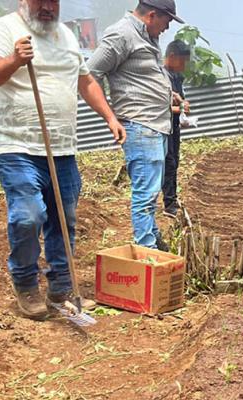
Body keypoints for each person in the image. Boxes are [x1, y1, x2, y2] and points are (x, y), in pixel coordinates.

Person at [0, 0, 126, 319]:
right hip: (14, 145)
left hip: (61, 148)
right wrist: (15, 59)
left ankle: (61, 287)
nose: (47, 7)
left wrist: (109, 117)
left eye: (53, 1)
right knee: (29, 214)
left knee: (64, 217)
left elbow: (86, 81)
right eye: (39, 1)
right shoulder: (1, 30)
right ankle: (26, 283)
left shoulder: (67, 37)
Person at [88, 0, 185, 250]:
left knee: (150, 193)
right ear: (152, 15)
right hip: (141, 126)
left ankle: (154, 243)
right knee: (145, 195)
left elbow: (141, 75)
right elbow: (89, 74)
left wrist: (167, 94)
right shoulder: (121, 34)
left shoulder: (146, 36)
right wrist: (111, 116)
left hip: (156, 125)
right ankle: (147, 253)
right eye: (167, 21)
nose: (167, 28)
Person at [162, 39, 191, 218]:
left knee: (175, 160)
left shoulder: (177, 77)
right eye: (182, 61)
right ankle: (169, 204)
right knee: (169, 162)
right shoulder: (161, 77)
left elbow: (180, 99)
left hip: (174, 124)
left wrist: (184, 106)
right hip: (163, 126)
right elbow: (159, 106)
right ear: (172, 57)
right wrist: (179, 108)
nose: (184, 65)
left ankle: (172, 198)